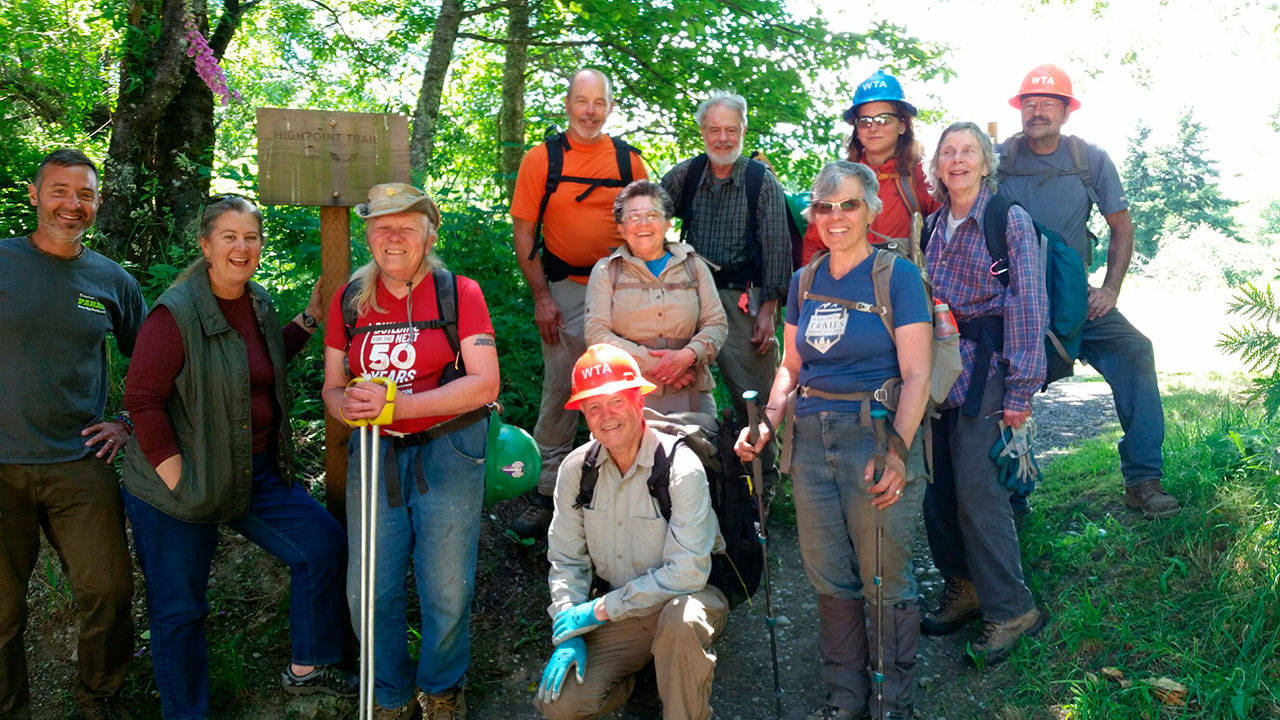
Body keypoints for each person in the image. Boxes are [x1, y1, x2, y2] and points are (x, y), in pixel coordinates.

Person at [120, 194, 354, 718]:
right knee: (180, 610)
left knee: (321, 547)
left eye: (250, 237)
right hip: (175, 485)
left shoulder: (259, 303)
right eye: (229, 236)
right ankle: (187, 712)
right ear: (206, 245)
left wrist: (310, 320)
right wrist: (181, 480)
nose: (241, 247)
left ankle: (309, 666)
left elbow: (260, 363)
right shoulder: (175, 313)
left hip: (252, 473)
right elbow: (141, 400)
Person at [736, 161, 931, 720]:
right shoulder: (805, 282)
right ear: (813, 216)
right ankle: (845, 702)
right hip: (811, 444)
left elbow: (917, 372)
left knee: (883, 574)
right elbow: (790, 369)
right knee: (829, 575)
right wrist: (767, 424)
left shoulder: (896, 277)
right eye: (825, 206)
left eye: (848, 204)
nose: (836, 216)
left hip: (875, 434)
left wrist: (896, 450)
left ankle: (893, 704)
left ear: (870, 209)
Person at [323, 183, 500, 720]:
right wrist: (348, 407)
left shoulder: (459, 293)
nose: (392, 236)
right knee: (367, 590)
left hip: (449, 449)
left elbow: (485, 384)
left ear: (429, 234)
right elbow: (332, 387)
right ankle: (392, 696)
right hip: (375, 454)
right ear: (367, 235)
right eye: (381, 226)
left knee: (446, 586)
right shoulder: (350, 299)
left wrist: (396, 407)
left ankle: (441, 689)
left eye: (406, 225)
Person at [997, 63, 1178, 519]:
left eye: (1047, 103)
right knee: (998, 387)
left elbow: (1121, 227)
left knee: (1135, 351)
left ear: (1065, 110)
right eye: (1029, 103)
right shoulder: (997, 159)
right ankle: (1012, 498)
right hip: (1017, 300)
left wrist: (1111, 290)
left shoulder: (1089, 159)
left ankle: (1143, 480)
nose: (1037, 111)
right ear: (1020, 110)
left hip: (1076, 300)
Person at [0, 149, 145, 720]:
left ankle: (100, 701)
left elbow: (156, 365)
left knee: (108, 593)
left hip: (80, 463)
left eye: (84, 194)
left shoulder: (113, 280)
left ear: (97, 203)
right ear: (35, 196)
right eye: (59, 191)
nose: (71, 204)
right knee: (2, 614)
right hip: (1, 464)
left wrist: (129, 422)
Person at [536, 344, 726, 720]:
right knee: (559, 705)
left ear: (639, 401)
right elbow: (566, 559)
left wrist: (601, 610)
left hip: (686, 600)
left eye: (616, 402)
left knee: (681, 622)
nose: (606, 417)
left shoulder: (678, 466)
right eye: (594, 408)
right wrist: (568, 628)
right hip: (622, 615)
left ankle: (683, 706)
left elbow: (689, 572)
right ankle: (643, 680)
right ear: (584, 417)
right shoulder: (577, 470)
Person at [919, 123, 1048, 664]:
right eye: (947, 152)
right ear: (936, 165)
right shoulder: (931, 226)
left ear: (985, 161)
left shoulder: (1006, 220)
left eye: (967, 151)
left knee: (978, 488)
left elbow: (1027, 304)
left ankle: (1012, 606)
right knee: (937, 485)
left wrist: (1020, 389)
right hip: (941, 369)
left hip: (991, 365)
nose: (957, 160)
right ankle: (963, 584)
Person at [509, 68, 649, 539]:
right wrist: (541, 296)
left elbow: (648, 230)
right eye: (581, 101)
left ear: (610, 107)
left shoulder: (630, 163)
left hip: (621, 288)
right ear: (568, 103)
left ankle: (615, 488)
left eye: (599, 102)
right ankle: (547, 490)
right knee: (562, 387)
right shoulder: (541, 159)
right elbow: (525, 232)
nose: (590, 111)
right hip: (564, 288)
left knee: (621, 387)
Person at [660, 91, 791, 510]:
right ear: (702, 132)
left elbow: (777, 248)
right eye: (713, 129)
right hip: (691, 293)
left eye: (730, 130)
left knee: (753, 394)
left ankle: (763, 489)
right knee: (684, 390)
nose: (722, 138)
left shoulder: (760, 180)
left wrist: (768, 313)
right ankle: (695, 485)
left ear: (742, 131)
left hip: (743, 298)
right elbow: (649, 220)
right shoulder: (687, 175)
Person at [584, 180, 727, 415]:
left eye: (652, 215)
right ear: (620, 227)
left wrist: (687, 357)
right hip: (628, 390)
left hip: (690, 385)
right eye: (634, 217)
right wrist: (658, 366)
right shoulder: (606, 271)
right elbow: (597, 334)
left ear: (668, 222)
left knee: (702, 450)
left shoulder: (694, 266)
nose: (643, 224)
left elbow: (717, 323)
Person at [800, 69, 941, 265]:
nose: (873, 128)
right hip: (845, 287)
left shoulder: (921, 174)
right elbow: (814, 243)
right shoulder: (839, 178)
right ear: (856, 130)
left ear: (902, 125)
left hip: (900, 287)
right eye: (864, 121)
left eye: (883, 119)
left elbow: (944, 239)